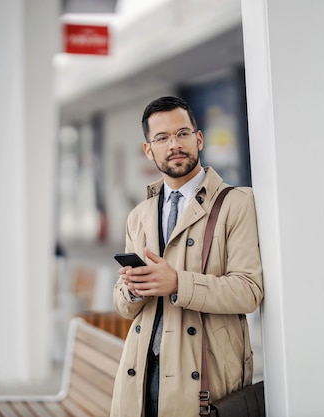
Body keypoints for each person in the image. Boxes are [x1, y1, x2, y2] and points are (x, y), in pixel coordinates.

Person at [111, 96, 264, 417]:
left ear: (199, 138)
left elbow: (249, 291)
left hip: (201, 373)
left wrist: (178, 282)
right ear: (148, 150)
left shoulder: (237, 203)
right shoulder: (139, 215)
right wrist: (134, 287)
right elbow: (124, 307)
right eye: (162, 138)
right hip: (140, 373)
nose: (174, 145)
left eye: (182, 133)